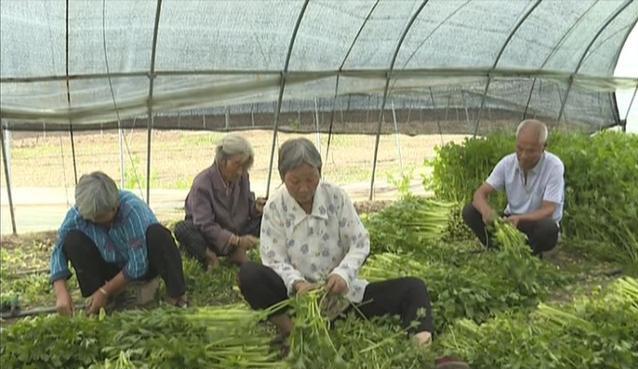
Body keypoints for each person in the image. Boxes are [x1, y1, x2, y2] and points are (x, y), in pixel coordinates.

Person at [238, 137, 437, 348]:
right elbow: (273, 258)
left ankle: (421, 346)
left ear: (320, 171)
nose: (304, 188)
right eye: (295, 182)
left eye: (310, 179)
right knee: (249, 274)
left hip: (344, 300)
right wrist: (298, 283)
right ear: (282, 176)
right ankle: (293, 330)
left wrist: (342, 274)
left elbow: (360, 242)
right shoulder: (275, 207)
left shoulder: (336, 197)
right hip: (296, 304)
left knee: (413, 287)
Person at [50, 171, 187, 316]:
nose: (98, 222)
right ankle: (96, 300)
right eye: (93, 219)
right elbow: (58, 248)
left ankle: (176, 296)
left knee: (159, 235)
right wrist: (61, 290)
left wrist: (106, 291)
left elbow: (137, 265)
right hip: (111, 266)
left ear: (115, 206)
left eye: (102, 218)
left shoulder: (132, 210)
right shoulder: (78, 215)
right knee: (73, 240)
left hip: (144, 263)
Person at [462, 119, 564, 254]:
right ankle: (498, 248)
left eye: (530, 151)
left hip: (535, 222)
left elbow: (549, 210)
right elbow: (479, 194)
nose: (523, 156)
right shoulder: (507, 163)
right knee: (470, 211)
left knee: (548, 228)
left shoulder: (554, 166)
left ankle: (530, 252)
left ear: (543, 147)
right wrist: (486, 211)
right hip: (511, 220)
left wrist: (520, 219)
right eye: (519, 149)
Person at [175, 134, 266, 269]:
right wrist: (237, 241)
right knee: (183, 229)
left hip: (237, 230)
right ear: (223, 161)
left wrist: (257, 208)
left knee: (267, 216)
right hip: (210, 237)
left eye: (244, 165)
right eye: (237, 165)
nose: (240, 171)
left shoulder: (243, 177)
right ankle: (210, 256)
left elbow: (247, 206)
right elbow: (204, 225)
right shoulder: (202, 184)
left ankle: (235, 252)